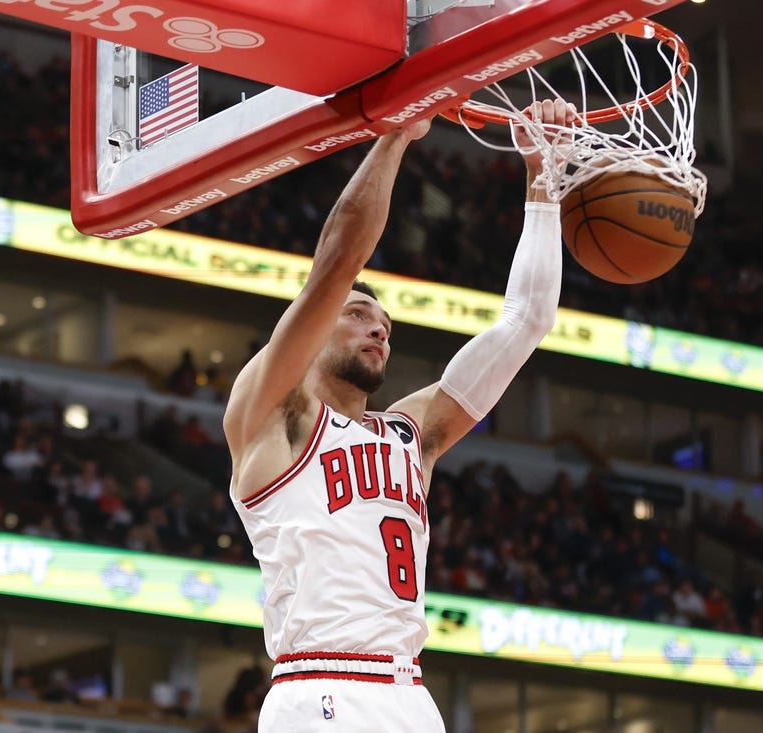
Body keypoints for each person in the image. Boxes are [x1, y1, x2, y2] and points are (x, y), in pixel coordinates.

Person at [225, 101, 572, 732]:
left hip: (410, 692)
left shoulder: (411, 437)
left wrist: (541, 174)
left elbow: (528, 321)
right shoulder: (274, 415)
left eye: (384, 325)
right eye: (357, 315)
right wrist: (397, 133)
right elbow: (337, 263)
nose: (377, 329)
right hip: (321, 681)